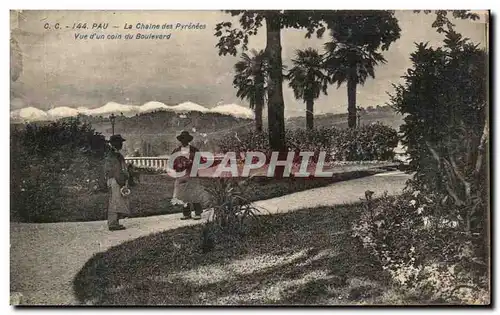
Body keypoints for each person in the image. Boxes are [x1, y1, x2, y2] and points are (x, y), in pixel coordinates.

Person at [171, 131, 204, 220]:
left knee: (194, 194)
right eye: (182, 139)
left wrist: (192, 162)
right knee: (183, 194)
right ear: (180, 140)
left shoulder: (194, 150)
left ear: (188, 140)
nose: (184, 141)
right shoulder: (176, 151)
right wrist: (179, 165)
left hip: (192, 173)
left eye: (185, 139)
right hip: (181, 174)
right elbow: (172, 163)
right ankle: (186, 213)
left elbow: (201, 161)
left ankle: (198, 212)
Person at [104, 134, 131, 231]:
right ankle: (113, 223)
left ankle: (115, 222)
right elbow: (116, 170)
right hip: (115, 180)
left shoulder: (115, 155)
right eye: (120, 142)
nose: (121, 144)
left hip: (114, 179)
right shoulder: (113, 155)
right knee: (115, 201)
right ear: (115, 143)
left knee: (116, 200)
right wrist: (122, 182)